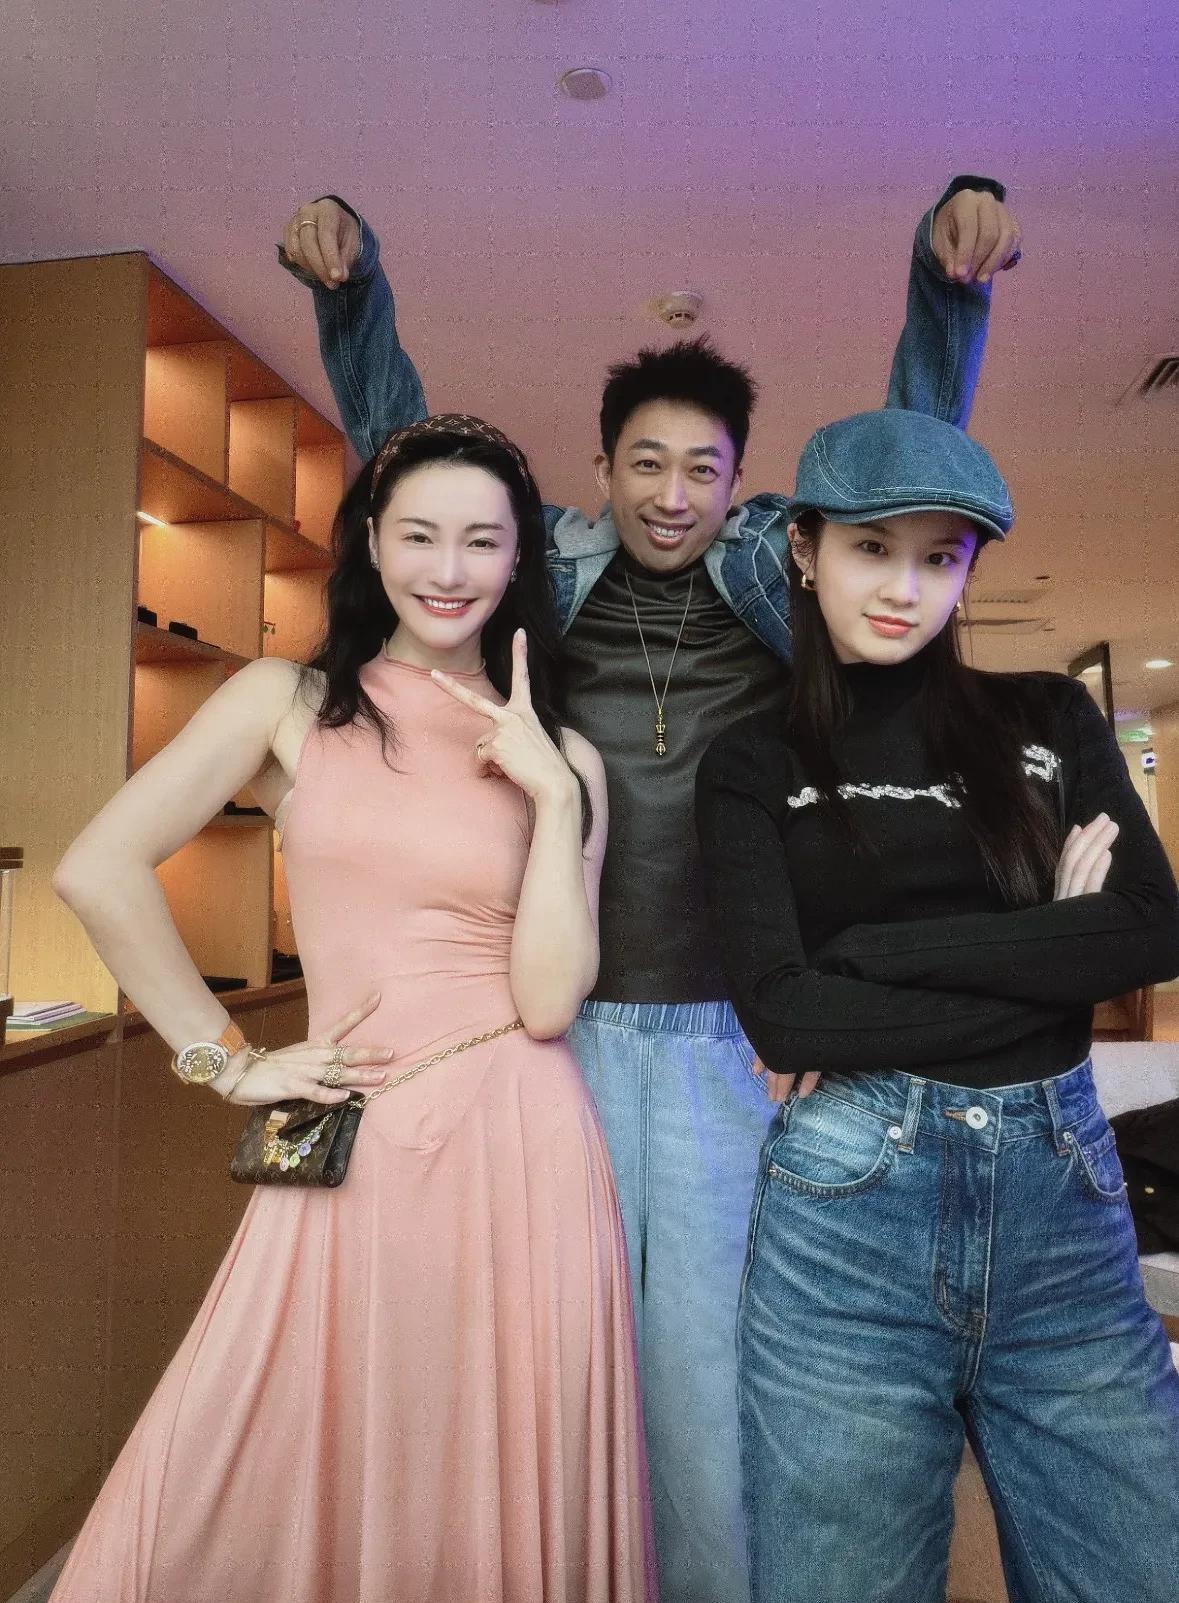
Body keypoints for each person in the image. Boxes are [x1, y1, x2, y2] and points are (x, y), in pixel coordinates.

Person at [277, 182, 1022, 1603]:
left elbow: (892, 479)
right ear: (600, 469)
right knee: (548, 1364)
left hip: (721, 1040)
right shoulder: (542, 574)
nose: (672, 496)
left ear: (739, 485)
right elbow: (408, 460)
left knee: (700, 1382)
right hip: (546, 1034)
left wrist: (948, 294)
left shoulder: (774, 584)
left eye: (703, 469)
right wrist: (351, 294)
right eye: (645, 464)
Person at [50, 415, 656, 1603]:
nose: (449, 568)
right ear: (372, 542)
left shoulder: (571, 760)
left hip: (523, 1148)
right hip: (359, 1143)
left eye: (482, 540)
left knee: (485, 1464)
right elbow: (97, 869)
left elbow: (548, 1002)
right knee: (259, 1444)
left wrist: (550, 794)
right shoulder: (291, 700)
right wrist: (226, 1060)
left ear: (519, 556)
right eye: (420, 534)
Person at [695, 407, 1179, 1603]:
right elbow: (788, 1020)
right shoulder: (751, 761)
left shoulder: (1050, 717)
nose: (906, 587)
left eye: (941, 556)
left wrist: (866, 958)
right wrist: (1050, 956)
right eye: (873, 548)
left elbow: (1151, 930)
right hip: (846, 1220)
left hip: (1065, 1213)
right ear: (805, 547)